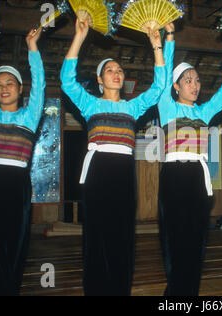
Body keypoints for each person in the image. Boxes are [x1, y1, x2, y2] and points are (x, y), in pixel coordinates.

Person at [60, 18, 166, 296]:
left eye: (119, 69)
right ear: (99, 79)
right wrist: (79, 36)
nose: (116, 73)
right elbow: (66, 81)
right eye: (110, 70)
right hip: (98, 171)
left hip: (123, 172)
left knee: (122, 234)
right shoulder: (89, 103)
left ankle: (120, 289)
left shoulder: (133, 107)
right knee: (96, 233)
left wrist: (157, 45)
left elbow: (159, 87)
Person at [157, 23, 222, 296]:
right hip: (174, 176)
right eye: (188, 80)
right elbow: (164, 69)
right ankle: (175, 291)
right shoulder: (166, 106)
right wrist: (169, 37)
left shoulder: (204, 113)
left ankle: (189, 291)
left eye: (197, 80)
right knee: (174, 235)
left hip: (198, 177)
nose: (195, 85)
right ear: (176, 86)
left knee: (197, 236)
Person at [0, 26, 45, 295]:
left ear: (19, 88)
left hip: (16, 185)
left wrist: (32, 48)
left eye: (10, 84)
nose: (4, 88)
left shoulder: (30, 116)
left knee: (14, 246)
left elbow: (39, 82)